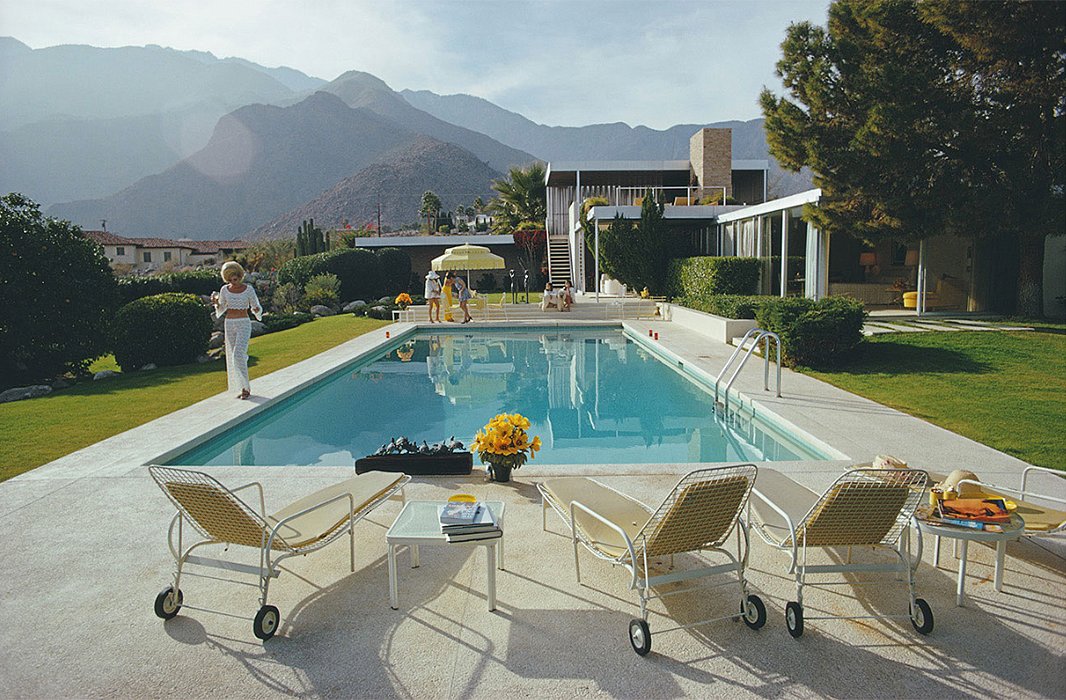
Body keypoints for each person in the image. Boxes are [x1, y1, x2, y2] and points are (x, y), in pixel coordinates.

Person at [211, 261, 262, 399]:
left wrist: (257, 310)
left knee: (238, 354)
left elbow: (256, 306)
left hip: (244, 323)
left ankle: (246, 388)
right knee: (233, 356)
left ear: (240, 276)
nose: (234, 281)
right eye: (231, 279)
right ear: (227, 278)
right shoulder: (224, 290)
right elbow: (221, 309)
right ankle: (240, 386)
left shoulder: (249, 289)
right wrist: (216, 304)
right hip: (229, 323)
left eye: (236, 278)